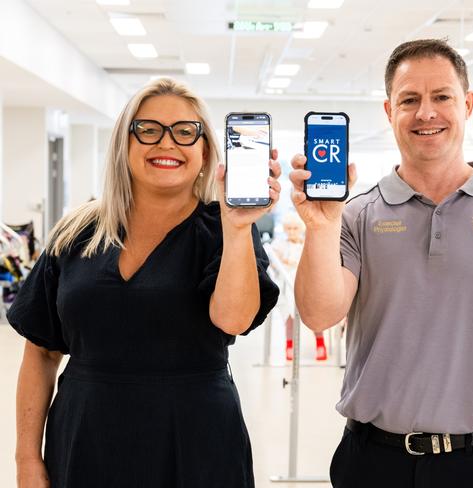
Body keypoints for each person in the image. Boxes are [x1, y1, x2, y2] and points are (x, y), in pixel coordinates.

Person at [289, 39, 473, 488]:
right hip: (371, 461)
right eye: (410, 99)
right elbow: (319, 314)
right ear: (390, 111)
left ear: (467, 104)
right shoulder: (356, 216)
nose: (426, 112)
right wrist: (320, 224)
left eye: (441, 97)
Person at [9, 78, 280, 488]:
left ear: (205, 151)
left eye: (185, 132)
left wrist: (238, 226)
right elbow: (42, 352)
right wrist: (26, 458)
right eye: (148, 129)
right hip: (86, 439)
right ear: (125, 143)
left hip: (196, 442)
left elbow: (233, 320)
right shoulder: (76, 232)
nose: (167, 143)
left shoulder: (224, 230)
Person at [271, 212, 327, 361]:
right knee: (289, 318)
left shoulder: (306, 243)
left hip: (307, 285)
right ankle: (289, 346)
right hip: (287, 285)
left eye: (295, 228)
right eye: (288, 228)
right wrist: (280, 260)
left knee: (314, 316)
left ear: (301, 229)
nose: (291, 232)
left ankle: (320, 345)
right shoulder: (280, 244)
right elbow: (272, 259)